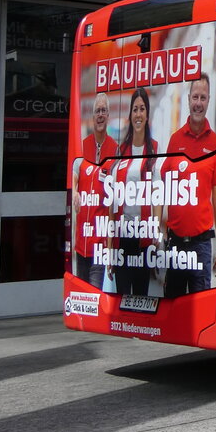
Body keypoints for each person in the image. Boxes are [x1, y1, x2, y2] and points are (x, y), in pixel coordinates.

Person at [160, 75, 216, 297]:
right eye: (195, 97)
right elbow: (162, 188)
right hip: (175, 244)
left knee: (201, 309)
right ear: (188, 99)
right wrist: (159, 231)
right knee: (174, 308)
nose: (198, 102)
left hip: (201, 246)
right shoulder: (175, 140)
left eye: (203, 98)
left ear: (208, 101)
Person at [108, 87, 159, 296]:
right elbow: (113, 201)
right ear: (130, 115)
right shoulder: (120, 151)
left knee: (141, 296)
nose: (138, 114)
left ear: (147, 115)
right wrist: (110, 247)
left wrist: (156, 238)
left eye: (142, 109)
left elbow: (158, 195)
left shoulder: (155, 150)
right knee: (122, 296)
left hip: (144, 239)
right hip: (123, 237)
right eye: (135, 109)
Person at [73, 92, 118, 287]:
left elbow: (115, 199)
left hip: (99, 246)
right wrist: (74, 191)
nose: (100, 115)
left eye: (104, 111)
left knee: (93, 295)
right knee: (81, 297)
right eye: (97, 111)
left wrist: (110, 247)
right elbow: (75, 174)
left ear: (108, 116)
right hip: (80, 244)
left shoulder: (115, 150)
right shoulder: (82, 147)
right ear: (92, 116)